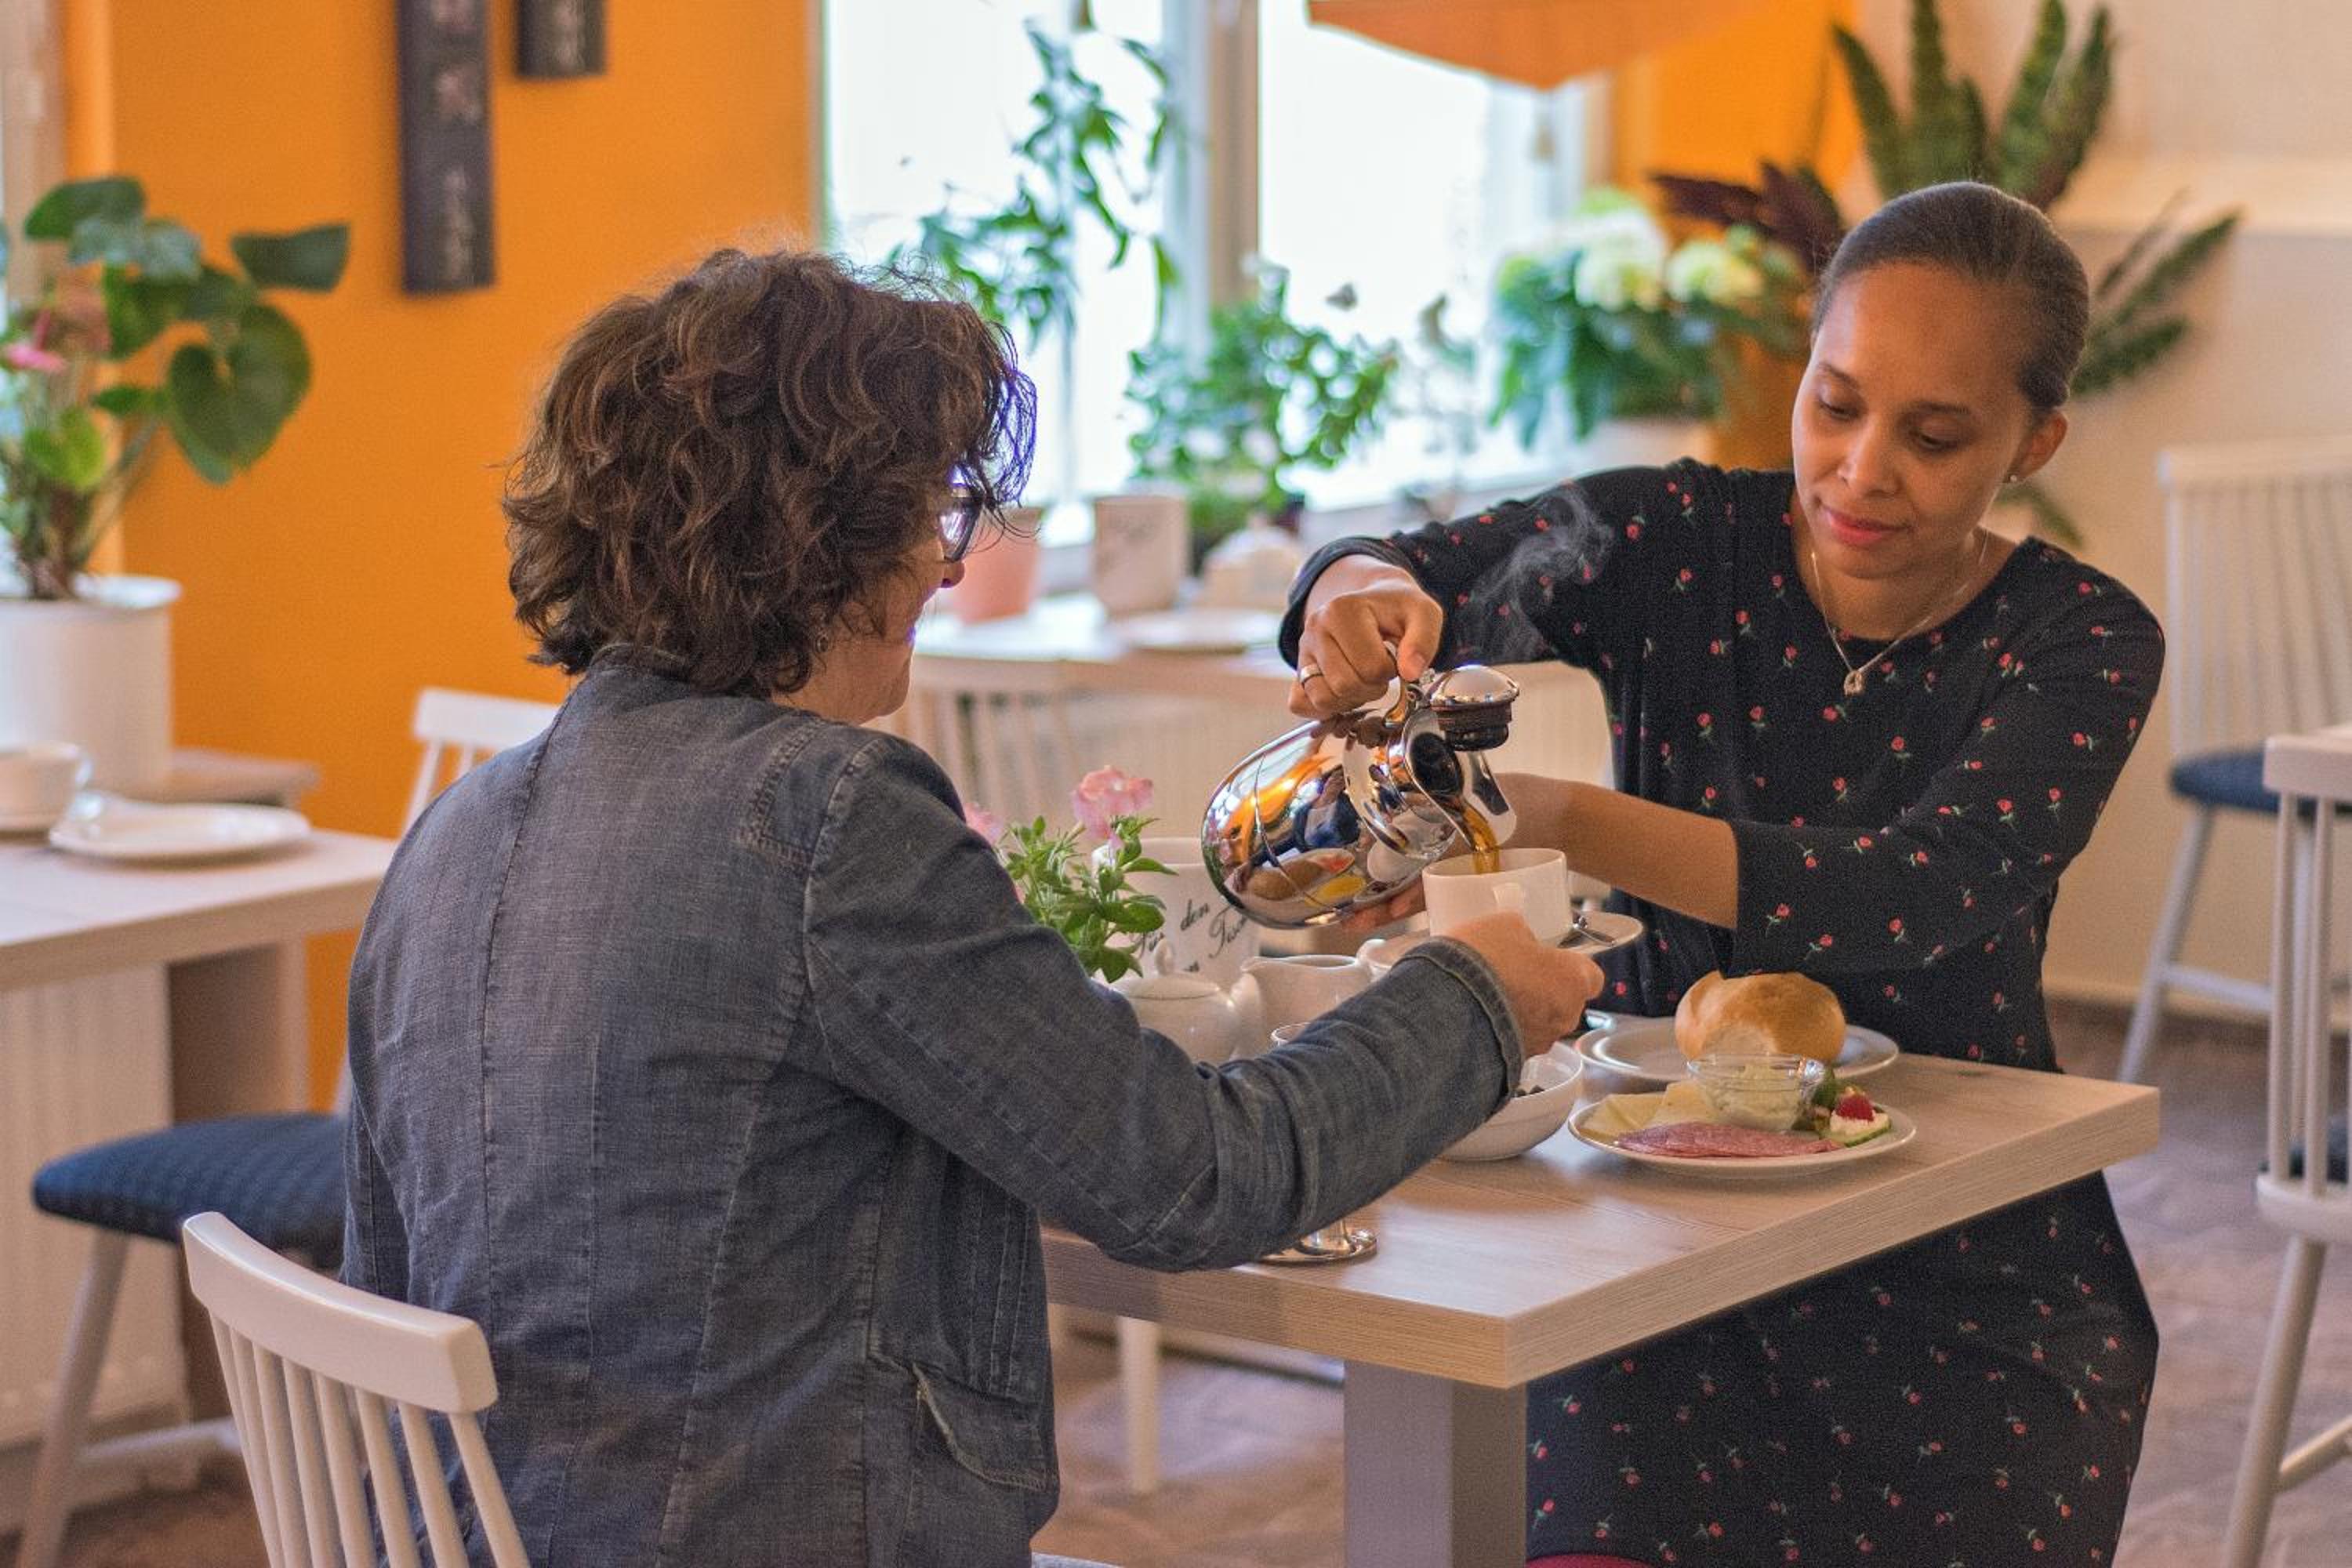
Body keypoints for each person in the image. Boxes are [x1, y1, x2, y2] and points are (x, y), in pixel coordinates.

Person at [339, 246, 1602, 1568]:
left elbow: (392, 1273)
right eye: (927, 515)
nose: (944, 572)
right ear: (815, 534)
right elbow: (1194, 1180)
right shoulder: (827, 817)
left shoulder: (452, 834)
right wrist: (1473, 996)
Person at [1285, 182, 2163, 1565]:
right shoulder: (1678, 540)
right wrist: (1351, 595)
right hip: (1650, 1232)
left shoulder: (2081, 639)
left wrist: (1559, 816)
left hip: (1959, 1259)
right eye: (1836, 403)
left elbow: (1911, 893)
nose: (1863, 469)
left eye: (1935, 436)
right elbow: (1412, 568)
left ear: (2033, 440)